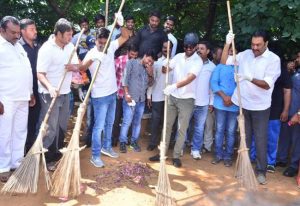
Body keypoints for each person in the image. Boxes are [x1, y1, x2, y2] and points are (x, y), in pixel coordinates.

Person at [224, 30, 281, 184]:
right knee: (244, 138)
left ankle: (261, 171)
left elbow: (267, 85)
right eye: (253, 44)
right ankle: (244, 167)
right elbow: (224, 61)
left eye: (258, 45)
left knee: (261, 139)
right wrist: (227, 43)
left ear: (266, 43)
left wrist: (248, 78)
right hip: (243, 103)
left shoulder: (273, 60)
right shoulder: (245, 54)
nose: (255, 47)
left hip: (260, 107)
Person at [80, 24, 133, 168]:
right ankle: (95, 155)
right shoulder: (91, 53)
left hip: (112, 93)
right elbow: (82, 68)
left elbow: (125, 36)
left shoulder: (111, 47)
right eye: (100, 42)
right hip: (99, 96)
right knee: (99, 127)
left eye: (105, 42)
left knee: (110, 123)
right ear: (95, 39)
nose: (102, 45)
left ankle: (107, 147)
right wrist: (94, 60)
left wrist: (121, 24)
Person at [149, 33, 203, 168]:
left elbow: (190, 77)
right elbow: (164, 70)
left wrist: (174, 86)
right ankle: (162, 153)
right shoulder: (178, 57)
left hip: (187, 99)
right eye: (186, 46)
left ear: (196, 47)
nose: (188, 48)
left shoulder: (198, 61)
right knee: (166, 126)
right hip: (173, 97)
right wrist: (165, 64)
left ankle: (176, 156)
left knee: (181, 129)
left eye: (191, 46)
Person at [36, 18, 80, 171]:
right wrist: (50, 87)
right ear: (59, 34)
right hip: (50, 94)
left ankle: (57, 154)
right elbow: (40, 74)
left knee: (62, 125)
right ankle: (46, 158)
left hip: (65, 92)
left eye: (71, 35)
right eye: (68, 35)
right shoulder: (46, 49)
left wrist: (72, 67)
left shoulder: (70, 47)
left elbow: (78, 65)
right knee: (51, 126)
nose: (70, 37)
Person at [0, 16, 34, 182]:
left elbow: (26, 70)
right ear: (2, 30)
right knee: (4, 133)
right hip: (5, 99)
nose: (16, 35)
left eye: (17, 32)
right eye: (12, 32)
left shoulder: (19, 47)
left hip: (22, 97)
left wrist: (30, 93)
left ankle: (16, 162)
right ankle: (3, 167)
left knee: (20, 132)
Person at [250, 60, 292, 173]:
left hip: (275, 110)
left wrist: (285, 110)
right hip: (258, 107)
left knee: (272, 137)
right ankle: (252, 157)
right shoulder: (259, 69)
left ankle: (270, 162)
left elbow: (287, 91)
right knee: (254, 134)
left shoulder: (283, 72)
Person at [118, 50, 155, 153]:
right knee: (127, 121)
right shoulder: (132, 63)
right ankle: (123, 142)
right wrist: (127, 94)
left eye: (152, 62)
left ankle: (133, 142)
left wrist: (150, 74)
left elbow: (150, 84)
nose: (149, 63)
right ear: (145, 55)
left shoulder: (148, 69)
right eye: (149, 60)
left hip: (141, 100)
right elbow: (125, 79)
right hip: (131, 98)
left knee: (137, 122)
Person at [209, 47, 239, 167]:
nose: (231, 53)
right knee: (219, 130)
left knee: (231, 131)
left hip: (234, 105)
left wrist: (232, 99)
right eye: (229, 51)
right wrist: (224, 96)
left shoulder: (240, 68)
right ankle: (218, 154)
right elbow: (213, 83)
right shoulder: (219, 67)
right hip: (220, 104)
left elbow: (242, 86)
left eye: (234, 51)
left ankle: (228, 156)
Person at [190, 41, 215, 160]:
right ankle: (179, 147)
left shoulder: (212, 67)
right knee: (182, 126)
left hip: (203, 103)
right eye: (198, 48)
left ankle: (195, 149)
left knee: (199, 128)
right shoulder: (190, 62)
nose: (199, 50)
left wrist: (211, 102)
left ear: (208, 51)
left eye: (202, 48)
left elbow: (212, 87)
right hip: (188, 100)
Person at [146, 41, 173, 151]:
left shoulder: (175, 62)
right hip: (157, 96)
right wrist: (149, 95)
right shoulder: (157, 63)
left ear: (172, 49)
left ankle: (166, 142)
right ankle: (153, 142)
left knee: (168, 122)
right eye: (164, 47)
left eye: (168, 48)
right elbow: (152, 80)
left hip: (170, 97)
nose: (166, 49)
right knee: (155, 121)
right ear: (161, 48)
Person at [276, 55, 300, 177]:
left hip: (297, 114)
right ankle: (281, 159)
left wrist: (298, 114)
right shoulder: (296, 72)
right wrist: (289, 72)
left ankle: (294, 166)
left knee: (296, 140)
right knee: (284, 135)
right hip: (288, 110)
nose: (297, 59)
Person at [19, 18, 40, 153]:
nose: (35, 32)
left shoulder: (37, 47)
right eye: (32, 29)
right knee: (23, 124)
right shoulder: (18, 48)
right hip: (24, 92)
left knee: (35, 122)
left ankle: (32, 150)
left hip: (38, 90)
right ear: (22, 31)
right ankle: (23, 152)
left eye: (35, 29)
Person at [112, 44, 139, 146]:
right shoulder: (120, 60)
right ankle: (114, 139)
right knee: (116, 117)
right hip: (119, 94)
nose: (133, 57)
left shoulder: (137, 62)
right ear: (128, 52)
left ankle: (126, 139)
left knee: (128, 119)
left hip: (130, 96)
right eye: (132, 54)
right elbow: (113, 74)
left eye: (136, 55)